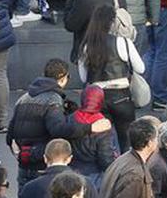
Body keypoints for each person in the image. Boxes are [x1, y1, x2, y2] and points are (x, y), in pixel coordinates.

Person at [8, 58, 100, 186]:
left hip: (24, 165)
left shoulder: (24, 98)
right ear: (62, 78)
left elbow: (10, 135)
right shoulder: (53, 99)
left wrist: (20, 153)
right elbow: (58, 129)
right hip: (43, 164)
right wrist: (90, 127)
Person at [76, 4, 143, 152]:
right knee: (127, 140)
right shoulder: (123, 42)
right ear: (112, 22)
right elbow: (140, 68)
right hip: (122, 96)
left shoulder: (87, 45)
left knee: (101, 141)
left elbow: (83, 77)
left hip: (97, 98)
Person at [96, 118, 158, 198]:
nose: (157, 141)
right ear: (149, 143)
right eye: (156, 138)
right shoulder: (135, 175)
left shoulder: (123, 159)